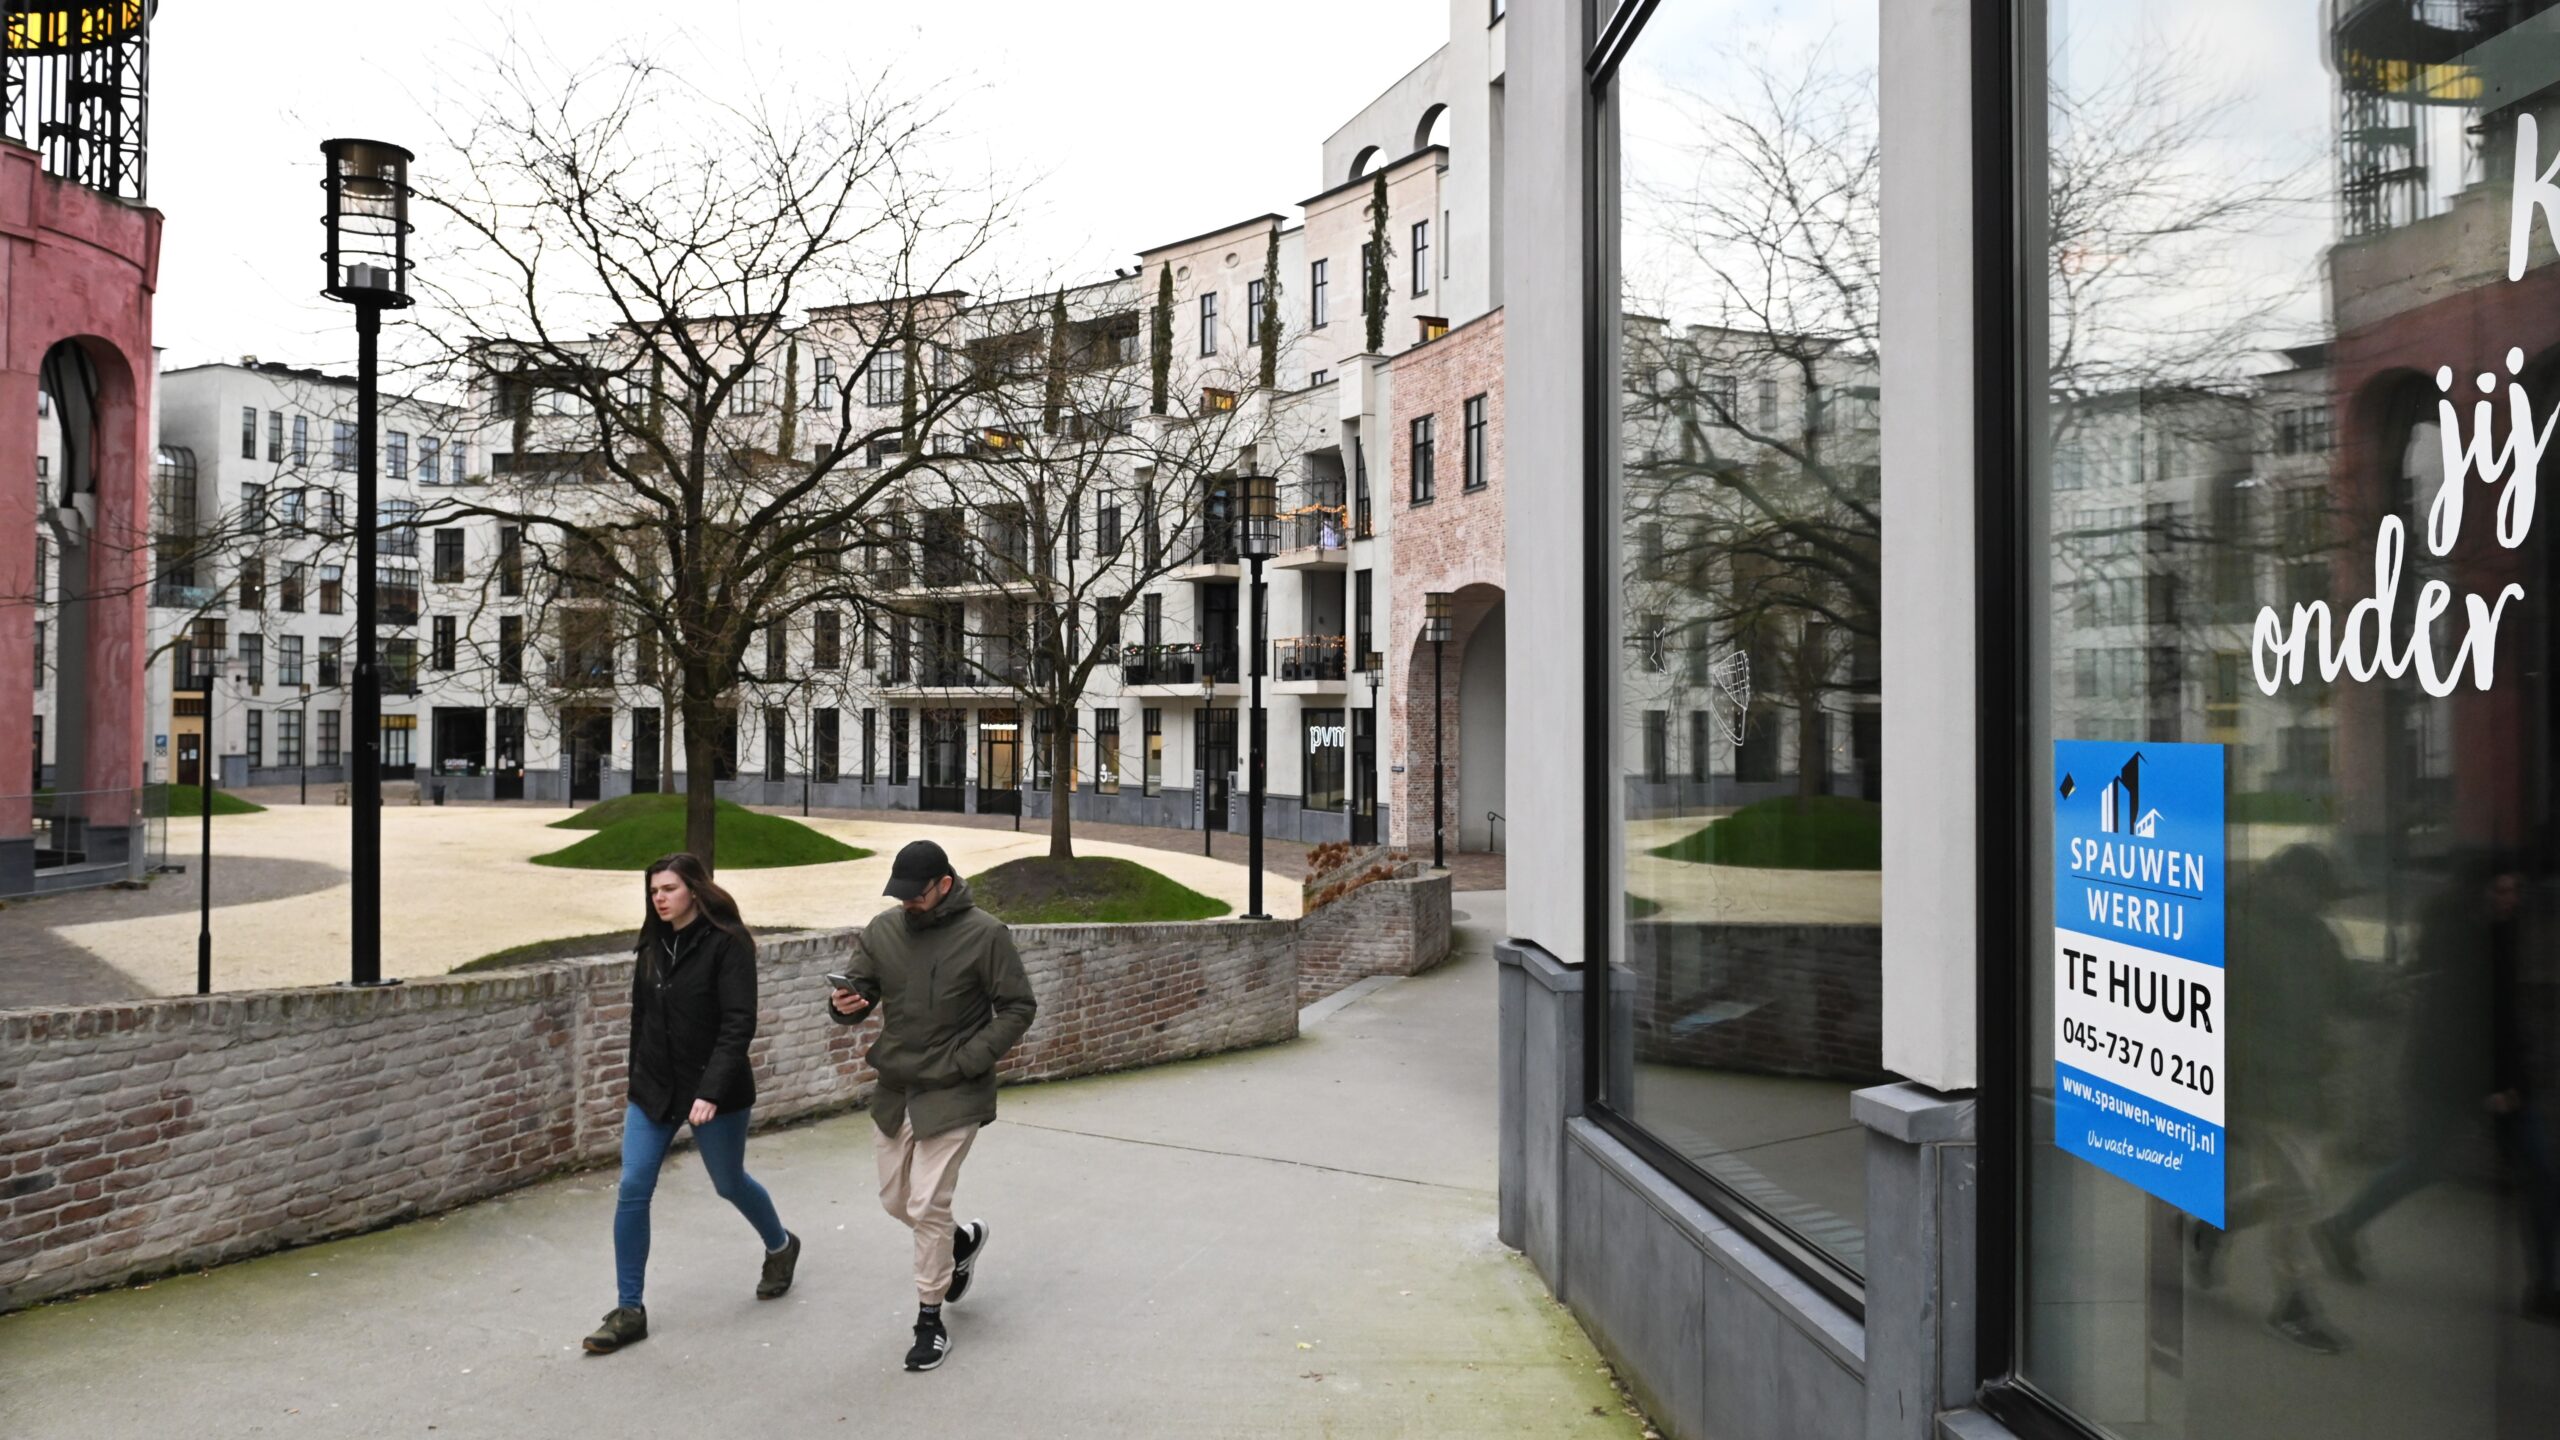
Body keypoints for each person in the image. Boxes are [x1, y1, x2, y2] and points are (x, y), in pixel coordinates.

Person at [2315, 859, 2558, 1318]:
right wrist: (2492, 1087)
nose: (2511, 900)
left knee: (2537, 1177)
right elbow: (2456, 1027)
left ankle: (2545, 1286)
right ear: (2478, 893)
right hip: (2451, 1079)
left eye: (2516, 891)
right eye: (2501, 891)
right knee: (2430, 1164)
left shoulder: (2499, 932)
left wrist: (2510, 1082)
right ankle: (2340, 1227)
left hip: (2492, 1080)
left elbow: (2503, 1016)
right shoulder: (2457, 943)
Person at [830, 839, 1038, 1372]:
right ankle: (961, 1242)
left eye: (915, 895)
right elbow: (860, 991)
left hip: (954, 1090)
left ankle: (929, 1320)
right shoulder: (883, 931)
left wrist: (970, 1059)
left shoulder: (986, 934)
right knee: (897, 1201)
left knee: (926, 1207)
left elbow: (1017, 1006)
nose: (906, 904)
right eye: (898, 895)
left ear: (944, 885)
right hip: (896, 1088)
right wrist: (846, 1005)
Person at [583, 853, 800, 1355]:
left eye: (668, 889)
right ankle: (628, 1309)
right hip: (655, 1087)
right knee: (633, 1186)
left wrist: (711, 1090)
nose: (659, 898)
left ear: (695, 891)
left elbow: (737, 1023)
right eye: (653, 890)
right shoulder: (653, 943)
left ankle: (781, 1246)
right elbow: (641, 1018)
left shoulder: (729, 943)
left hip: (713, 1090)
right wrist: (637, 1078)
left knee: (729, 1183)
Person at [2189, 843, 2357, 1354]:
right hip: (2262, 1084)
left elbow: (2345, 991)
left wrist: (2386, 991)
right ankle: (2295, 1303)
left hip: (2302, 1083)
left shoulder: (2320, 939)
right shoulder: (2239, 930)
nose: (2320, 904)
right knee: (2303, 1194)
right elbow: (2209, 1005)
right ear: (2284, 883)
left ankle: (2209, 1229)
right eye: (2313, 892)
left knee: (2289, 1188)